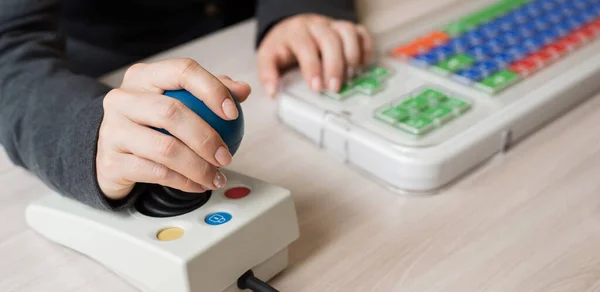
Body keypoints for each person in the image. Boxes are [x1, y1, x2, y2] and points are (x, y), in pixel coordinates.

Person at [0, 0, 373, 211]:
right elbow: (8, 52)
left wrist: (298, 7)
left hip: (253, 40)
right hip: (105, 84)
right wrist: (87, 133)